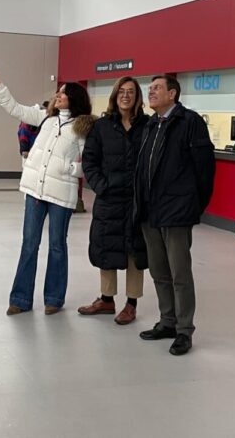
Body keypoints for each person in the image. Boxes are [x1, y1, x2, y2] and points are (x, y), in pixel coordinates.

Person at [0, 66, 94, 315]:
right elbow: (14, 108)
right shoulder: (45, 118)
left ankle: (54, 298)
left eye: (63, 92)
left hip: (61, 195)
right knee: (29, 244)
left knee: (57, 245)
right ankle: (20, 299)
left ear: (74, 98)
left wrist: (69, 168)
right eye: (58, 91)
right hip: (35, 191)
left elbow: (89, 163)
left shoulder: (83, 127)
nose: (58, 95)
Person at [134, 75, 215, 356]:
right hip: (149, 211)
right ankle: (167, 321)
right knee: (159, 271)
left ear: (173, 94)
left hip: (176, 212)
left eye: (157, 88)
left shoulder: (190, 122)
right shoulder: (150, 124)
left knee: (180, 273)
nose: (151, 92)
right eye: (150, 88)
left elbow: (205, 169)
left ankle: (184, 330)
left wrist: (193, 205)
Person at [80, 76, 149, 325]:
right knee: (106, 246)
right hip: (109, 198)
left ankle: (131, 304)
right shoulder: (102, 126)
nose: (125, 96)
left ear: (137, 97)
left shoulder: (147, 126)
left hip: (136, 201)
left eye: (130, 91)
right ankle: (106, 299)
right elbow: (89, 160)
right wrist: (101, 186)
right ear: (115, 95)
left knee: (135, 251)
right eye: (121, 91)